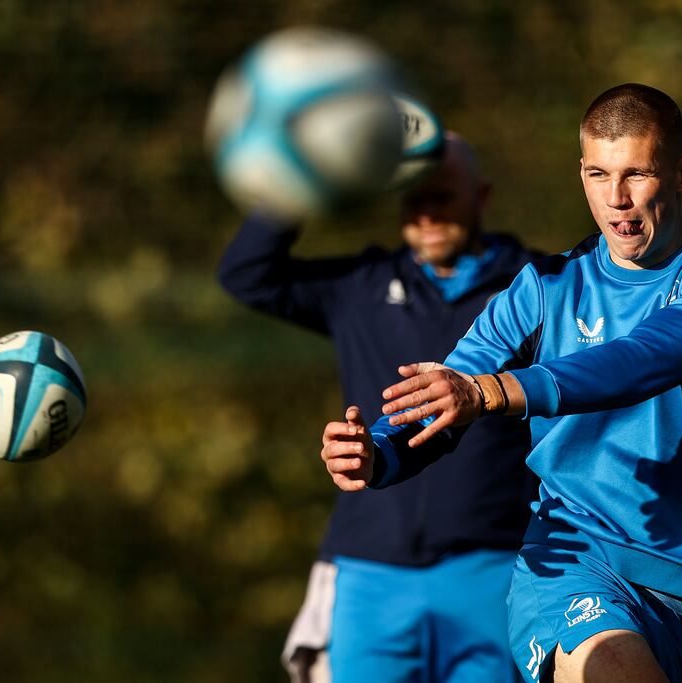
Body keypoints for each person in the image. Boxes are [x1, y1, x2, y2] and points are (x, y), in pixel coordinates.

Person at [321, 84, 682, 683]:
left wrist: (494, 391)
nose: (616, 200)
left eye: (637, 174)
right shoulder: (543, 287)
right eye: (597, 175)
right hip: (571, 559)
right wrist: (377, 451)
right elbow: (449, 390)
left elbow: (644, 358)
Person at [218, 132, 547, 682]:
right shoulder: (362, 285)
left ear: (482, 196)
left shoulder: (537, 285)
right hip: (370, 571)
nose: (425, 213)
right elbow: (246, 274)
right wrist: (309, 173)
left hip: (498, 567)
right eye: (411, 197)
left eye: (441, 194)